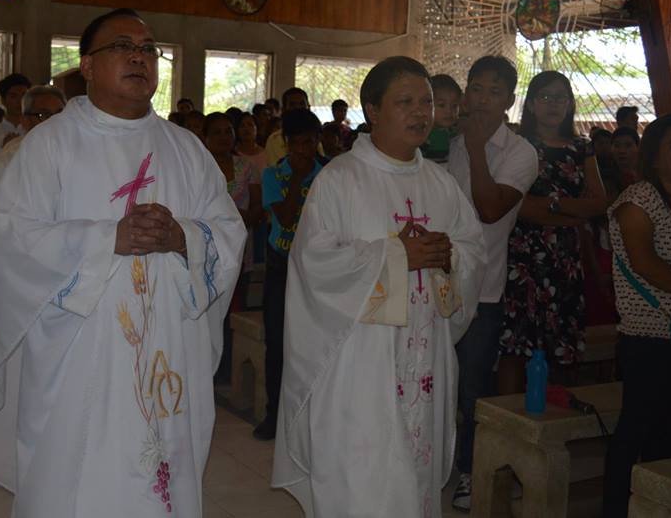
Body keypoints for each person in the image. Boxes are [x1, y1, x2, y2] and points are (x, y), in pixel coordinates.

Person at [0, 9, 245, 517]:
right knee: (78, 480)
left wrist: (182, 235)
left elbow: (229, 229)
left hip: (168, 346)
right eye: (123, 46)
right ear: (88, 65)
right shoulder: (49, 144)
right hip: (78, 355)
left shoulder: (186, 148)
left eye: (148, 49)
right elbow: (10, 233)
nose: (139, 57)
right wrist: (108, 239)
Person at [272, 57, 485, 516]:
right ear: (372, 109)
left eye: (426, 102)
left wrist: (450, 256)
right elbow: (313, 262)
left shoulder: (440, 181)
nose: (420, 112)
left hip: (424, 352)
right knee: (364, 472)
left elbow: (472, 249)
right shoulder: (340, 179)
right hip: (360, 359)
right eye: (404, 101)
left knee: (416, 471)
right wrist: (394, 256)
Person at [601, 113, 671, 518]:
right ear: (656, 157)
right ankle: (615, 510)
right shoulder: (637, 202)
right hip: (648, 335)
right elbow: (646, 263)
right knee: (636, 428)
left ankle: (654, 508)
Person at [446, 55, 539, 511]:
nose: (482, 100)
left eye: (494, 92)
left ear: (510, 100)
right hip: (440, 281)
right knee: (435, 380)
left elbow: (488, 209)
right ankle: (438, 461)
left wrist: (480, 148)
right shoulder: (453, 142)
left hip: (482, 290)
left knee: (471, 388)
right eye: (476, 89)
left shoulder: (520, 153)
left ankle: (469, 471)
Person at [501, 72, 607, 389]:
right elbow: (516, 204)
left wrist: (547, 206)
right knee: (516, 342)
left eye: (561, 97)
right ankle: (507, 423)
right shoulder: (517, 146)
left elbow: (600, 202)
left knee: (563, 342)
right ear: (531, 104)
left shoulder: (581, 147)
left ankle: (559, 417)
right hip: (523, 255)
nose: (553, 104)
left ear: (570, 104)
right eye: (545, 97)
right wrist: (569, 210)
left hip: (566, 257)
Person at [0, 85, 66, 323]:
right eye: (42, 116)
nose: (52, 122)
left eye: (59, 114)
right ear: (25, 120)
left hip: (65, 268)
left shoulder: (78, 153)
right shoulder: (8, 158)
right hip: (19, 269)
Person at [254, 107, 326, 441]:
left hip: (317, 266)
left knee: (313, 342)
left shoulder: (327, 175)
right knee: (277, 341)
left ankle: (311, 413)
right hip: (281, 263)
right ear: (286, 144)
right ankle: (274, 414)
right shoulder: (274, 175)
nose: (303, 150)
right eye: (296, 143)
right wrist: (297, 180)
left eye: (309, 142)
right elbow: (282, 218)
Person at [203, 112, 260, 379]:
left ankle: (228, 370)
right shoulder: (198, 167)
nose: (224, 137)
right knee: (208, 308)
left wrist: (233, 221)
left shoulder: (246, 167)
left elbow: (259, 209)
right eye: (217, 132)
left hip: (239, 248)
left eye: (228, 131)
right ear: (205, 137)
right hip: (204, 250)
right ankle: (207, 366)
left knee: (234, 308)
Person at [421, 74, 462, 165]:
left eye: (454, 106)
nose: (449, 111)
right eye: (442, 105)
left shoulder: (453, 131)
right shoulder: (424, 134)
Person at [264, 87, 311, 166]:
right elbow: (277, 172)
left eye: (302, 104)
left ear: (308, 108)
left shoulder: (315, 137)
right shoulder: (274, 140)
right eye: (292, 105)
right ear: (284, 110)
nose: (298, 108)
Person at [611, 127, 641, 191]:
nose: (622, 151)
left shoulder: (648, 176)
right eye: (617, 145)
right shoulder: (603, 176)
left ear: (638, 147)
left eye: (628, 145)